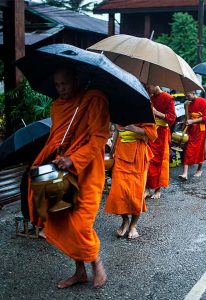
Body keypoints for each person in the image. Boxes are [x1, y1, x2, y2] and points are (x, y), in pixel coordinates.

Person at [28, 66, 110, 289]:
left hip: (88, 171)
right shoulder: (58, 106)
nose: (61, 89)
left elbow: (100, 136)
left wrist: (74, 159)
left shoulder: (94, 99)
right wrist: (58, 156)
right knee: (63, 217)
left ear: (76, 79)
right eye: (57, 85)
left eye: (64, 83)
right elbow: (56, 137)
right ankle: (80, 271)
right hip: (62, 170)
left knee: (82, 224)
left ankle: (96, 262)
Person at [104, 123, 157, 239]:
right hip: (121, 154)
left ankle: (133, 226)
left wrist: (134, 128)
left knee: (135, 194)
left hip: (138, 155)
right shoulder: (121, 110)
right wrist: (111, 152)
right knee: (118, 193)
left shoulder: (145, 110)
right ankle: (125, 220)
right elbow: (118, 132)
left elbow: (153, 134)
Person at [144, 85, 176, 199]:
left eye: (149, 87)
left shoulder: (168, 98)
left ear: (155, 84)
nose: (148, 89)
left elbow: (172, 118)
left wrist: (157, 113)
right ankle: (147, 188)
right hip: (150, 132)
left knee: (159, 161)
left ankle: (157, 189)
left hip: (161, 133)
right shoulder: (150, 98)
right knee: (148, 160)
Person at [178, 90, 206, 180]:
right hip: (191, 130)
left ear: (193, 93)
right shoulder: (188, 104)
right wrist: (183, 127)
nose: (186, 97)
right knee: (188, 149)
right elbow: (187, 118)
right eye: (186, 96)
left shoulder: (203, 102)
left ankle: (199, 169)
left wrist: (193, 121)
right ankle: (185, 173)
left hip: (200, 130)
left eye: (188, 95)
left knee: (200, 150)